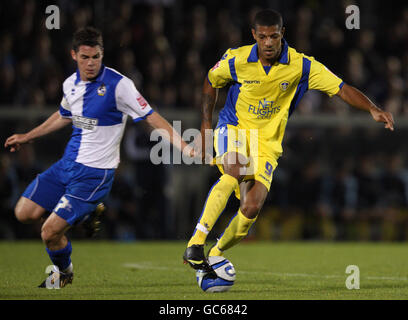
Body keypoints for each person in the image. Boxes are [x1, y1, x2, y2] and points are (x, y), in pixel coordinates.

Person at [183, 9, 394, 273]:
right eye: (262, 37)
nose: (268, 42)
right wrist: (205, 126)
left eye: (273, 36)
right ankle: (195, 243)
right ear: (254, 36)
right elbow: (210, 82)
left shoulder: (302, 65)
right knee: (234, 170)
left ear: (282, 34)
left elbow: (341, 88)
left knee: (250, 208)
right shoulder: (236, 59)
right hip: (234, 128)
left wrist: (372, 108)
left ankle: (215, 253)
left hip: (268, 143)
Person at [4, 27, 195, 288]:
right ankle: (83, 215)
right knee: (23, 212)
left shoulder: (120, 85)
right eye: (85, 57)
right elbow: (63, 115)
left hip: (95, 173)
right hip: (66, 165)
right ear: (74, 55)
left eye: (96, 57)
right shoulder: (70, 84)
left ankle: (63, 273)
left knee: (48, 232)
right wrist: (28, 136)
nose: (91, 63)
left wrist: (183, 145)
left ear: (102, 54)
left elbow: (151, 115)